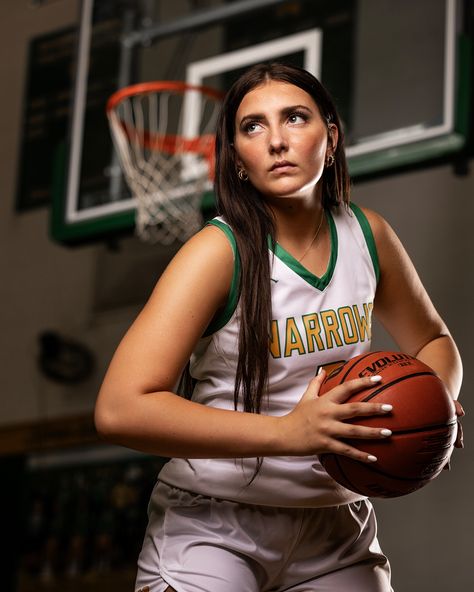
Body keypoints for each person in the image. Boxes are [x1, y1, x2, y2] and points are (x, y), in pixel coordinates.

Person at [94, 62, 464, 592]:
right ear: (238, 157)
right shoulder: (217, 253)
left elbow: (433, 341)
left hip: (336, 525)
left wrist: (434, 404)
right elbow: (120, 408)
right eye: (253, 126)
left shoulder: (368, 234)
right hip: (216, 522)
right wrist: (287, 434)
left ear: (330, 137)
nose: (275, 142)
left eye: (294, 118)